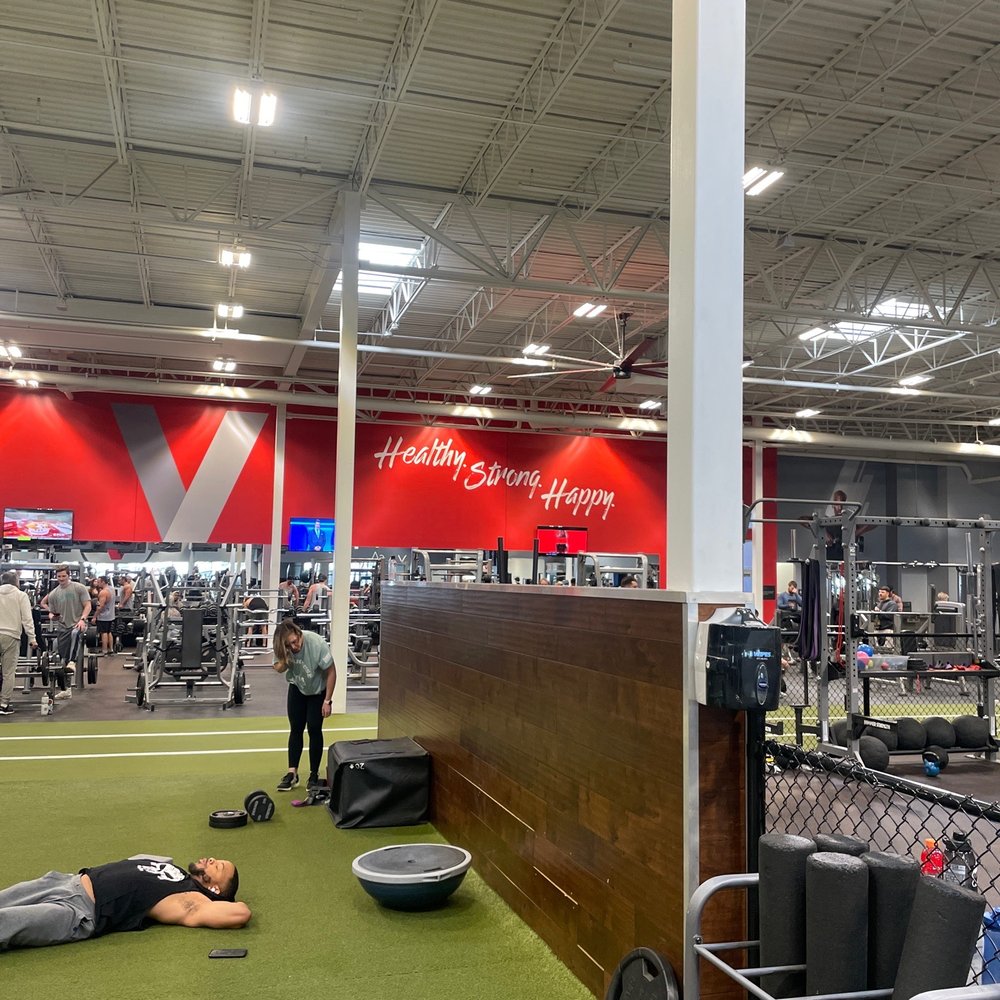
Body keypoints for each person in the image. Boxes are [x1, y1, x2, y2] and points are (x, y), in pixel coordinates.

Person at [0, 854, 248, 950]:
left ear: (215, 888)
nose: (212, 860)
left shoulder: (190, 897)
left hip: (78, 911)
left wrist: (217, 899)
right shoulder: (178, 873)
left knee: (5, 922)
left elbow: (240, 914)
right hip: (66, 882)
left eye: (219, 866)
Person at [272, 617, 336, 793]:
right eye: (289, 645)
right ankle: (292, 773)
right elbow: (278, 669)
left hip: (317, 691)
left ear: (298, 633)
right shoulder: (284, 647)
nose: (294, 646)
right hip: (297, 687)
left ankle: (314, 774)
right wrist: (285, 657)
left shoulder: (316, 643)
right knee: (296, 729)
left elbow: (331, 672)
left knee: (314, 729)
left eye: (295, 642)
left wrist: (327, 701)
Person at [40, 565, 92, 700]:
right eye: (59, 576)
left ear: (69, 575)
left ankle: (73, 661)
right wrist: (52, 615)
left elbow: (88, 605)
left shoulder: (79, 588)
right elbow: (52, 611)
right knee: (62, 660)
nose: (61, 578)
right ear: (56, 577)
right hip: (63, 627)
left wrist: (83, 619)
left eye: (64, 576)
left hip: (78, 624)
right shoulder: (54, 594)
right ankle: (66, 689)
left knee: (75, 634)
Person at [0, 570, 36, 716]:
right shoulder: (21, 595)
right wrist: (32, 638)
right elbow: (27, 619)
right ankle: (3, 705)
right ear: (16, 582)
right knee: (8, 673)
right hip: (11, 636)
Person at [93, 576, 116, 657]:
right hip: (111, 615)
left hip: (104, 616)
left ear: (103, 582)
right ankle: (111, 649)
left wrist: (94, 616)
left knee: (104, 633)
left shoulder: (103, 592)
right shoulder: (112, 589)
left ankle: (104, 651)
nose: (97, 583)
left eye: (99, 582)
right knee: (109, 632)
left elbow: (101, 606)